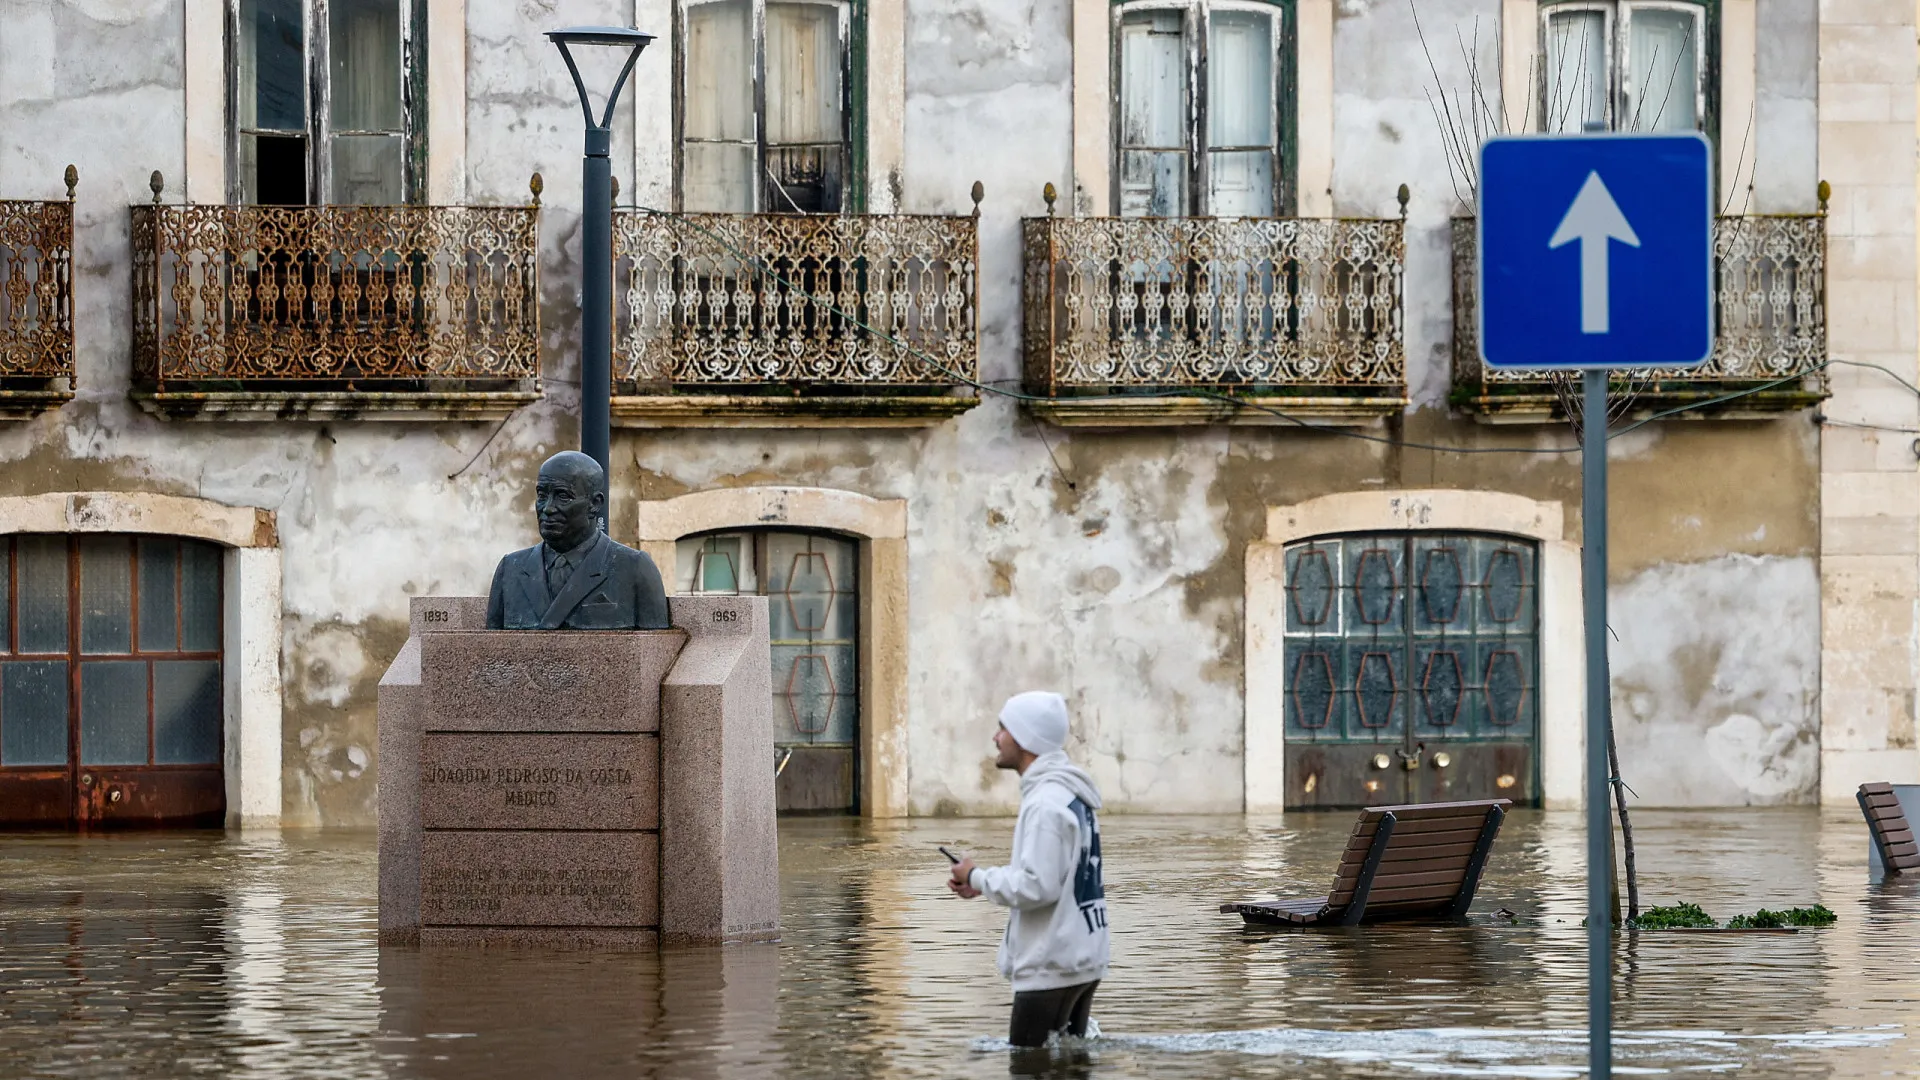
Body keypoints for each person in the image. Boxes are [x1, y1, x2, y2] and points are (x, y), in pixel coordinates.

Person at [948, 691, 1110, 1050]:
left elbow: (1037, 886)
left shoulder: (1044, 802)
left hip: (1051, 963)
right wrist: (983, 886)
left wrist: (976, 876)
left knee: (1027, 1065)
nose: (996, 738)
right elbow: (1052, 875)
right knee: (1070, 1068)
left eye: (1003, 728)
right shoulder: (1069, 793)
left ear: (1026, 737)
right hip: (1082, 957)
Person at [485, 451, 670, 630]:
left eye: (563, 496)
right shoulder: (510, 570)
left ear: (594, 504)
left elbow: (655, 654)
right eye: (542, 495)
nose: (548, 508)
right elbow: (490, 651)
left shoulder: (634, 568)